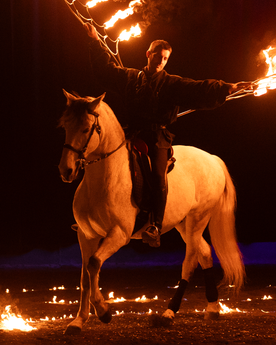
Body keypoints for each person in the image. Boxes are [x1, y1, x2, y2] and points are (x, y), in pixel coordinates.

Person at [84, 23, 253, 247]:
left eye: (164, 58)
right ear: (148, 54)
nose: (160, 61)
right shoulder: (131, 78)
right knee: (98, 160)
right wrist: (95, 41)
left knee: (157, 175)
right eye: (157, 56)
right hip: (131, 135)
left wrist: (227, 87)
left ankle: (155, 223)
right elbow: (105, 71)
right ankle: (90, 217)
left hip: (157, 138)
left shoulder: (172, 84)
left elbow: (198, 88)